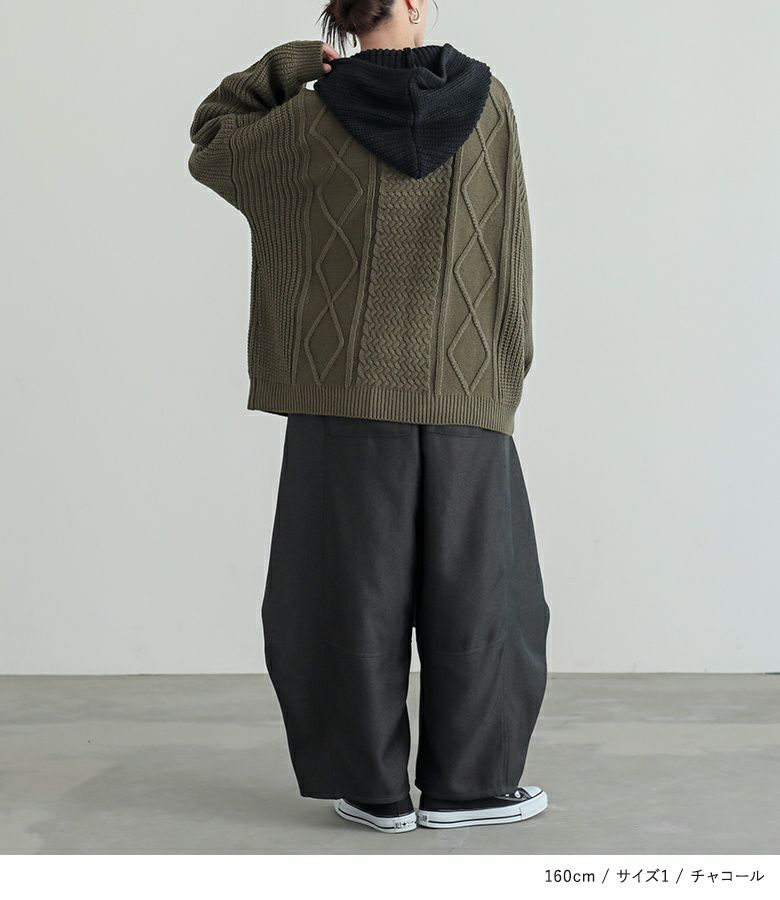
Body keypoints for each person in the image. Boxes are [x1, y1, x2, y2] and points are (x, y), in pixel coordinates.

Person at [188, 0, 549, 834]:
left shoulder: (307, 116)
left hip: (341, 398)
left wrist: (293, 66)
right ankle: (469, 789)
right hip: (464, 391)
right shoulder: (490, 102)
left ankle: (374, 789)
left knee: (345, 593)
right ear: (414, 5)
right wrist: (502, 373)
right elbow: (510, 249)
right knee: (484, 593)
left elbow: (213, 138)